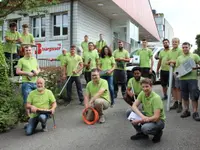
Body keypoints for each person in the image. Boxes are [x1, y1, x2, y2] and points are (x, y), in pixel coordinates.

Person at [127, 78, 165, 143]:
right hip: (147, 116)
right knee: (129, 112)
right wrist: (142, 116)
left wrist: (140, 120)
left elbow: (156, 117)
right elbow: (134, 106)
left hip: (158, 121)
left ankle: (158, 132)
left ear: (151, 86)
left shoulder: (156, 98)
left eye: (147, 86)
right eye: (143, 87)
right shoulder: (142, 93)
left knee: (145, 128)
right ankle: (142, 134)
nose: (145, 89)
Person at [176, 42, 200, 121]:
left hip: (193, 79)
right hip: (182, 80)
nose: (185, 49)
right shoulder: (179, 58)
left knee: (194, 96)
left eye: (186, 47)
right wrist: (177, 74)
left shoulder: (195, 56)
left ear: (189, 48)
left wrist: (195, 67)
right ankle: (186, 110)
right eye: (183, 47)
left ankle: (195, 112)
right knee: (185, 96)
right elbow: (177, 70)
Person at [16, 45, 40, 117]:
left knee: (37, 100)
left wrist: (37, 72)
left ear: (32, 51)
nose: (28, 52)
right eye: (27, 50)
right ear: (24, 52)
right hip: (26, 83)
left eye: (29, 50)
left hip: (35, 83)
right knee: (27, 101)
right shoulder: (21, 60)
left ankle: (37, 115)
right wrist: (27, 73)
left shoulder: (34, 59)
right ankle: (29, 117)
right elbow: (17, 71)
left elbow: (39, 69)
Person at [166, 38, 183, 113]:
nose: (174, 43)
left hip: (179, 71)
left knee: (178, 88)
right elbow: (166, 61)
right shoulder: (170, 51)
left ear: (178, 43)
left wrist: (171, 61)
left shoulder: (180, 50)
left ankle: (180, 104)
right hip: (171, 71)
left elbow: (180, 61)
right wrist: (170, 62)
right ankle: (175, 102)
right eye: (173, 42)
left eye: (176, 42)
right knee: (173, 88)